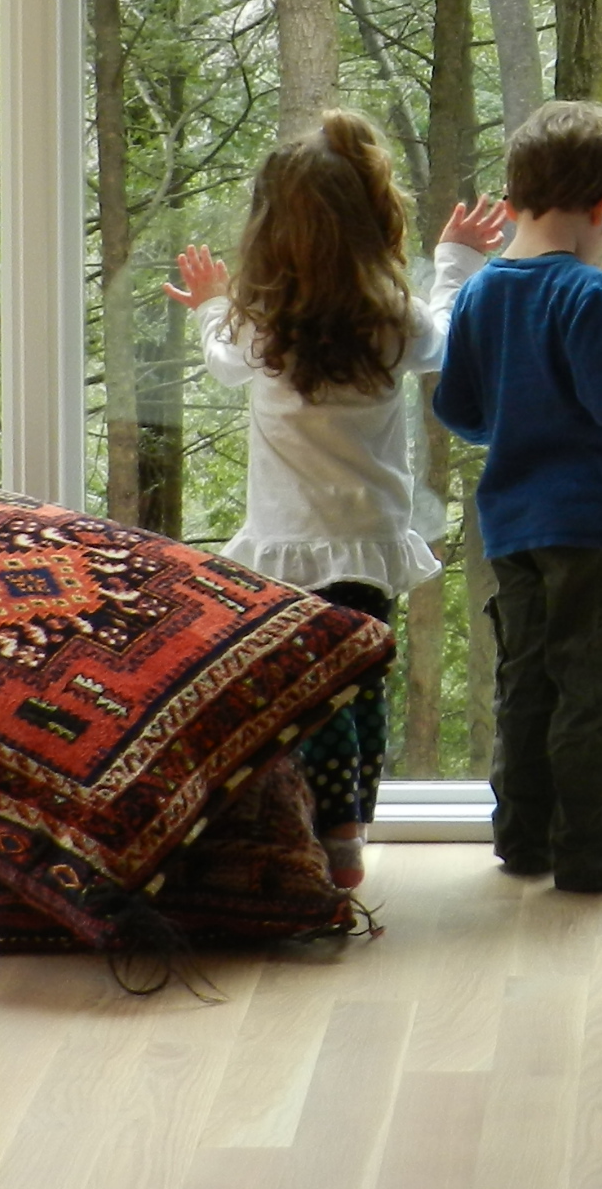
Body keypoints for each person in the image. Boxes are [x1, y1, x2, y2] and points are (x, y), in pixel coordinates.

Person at [164, 110, 509, 894]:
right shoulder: (391, 322)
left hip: (285, 547)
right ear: (371, 219)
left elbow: (221, 363)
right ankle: (349, 832)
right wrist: (454, 260)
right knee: (358, 685)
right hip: (365, 542)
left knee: (304, 695)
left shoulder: (263, 331)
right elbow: (448, 337)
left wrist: (212, 304)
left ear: (268, 231)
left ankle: (310, 837)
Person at [432, 98, 602, 895]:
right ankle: (592, 853)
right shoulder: (586, 294)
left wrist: (513, 415)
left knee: (526, 681)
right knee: (594, 685)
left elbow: (457, 409)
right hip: (589, 524)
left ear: (514, 200)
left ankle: (522, 838)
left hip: (511, 526)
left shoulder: (485, 292)